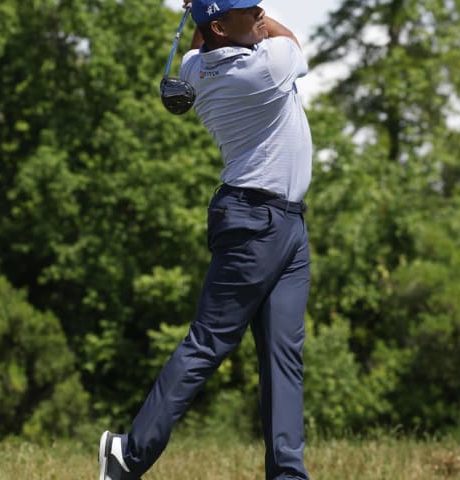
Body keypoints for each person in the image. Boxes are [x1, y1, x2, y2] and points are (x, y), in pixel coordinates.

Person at [98, 0, 313, 478]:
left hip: (284, 224)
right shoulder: (266, 66)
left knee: (283, 356)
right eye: (248, 10)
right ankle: (127, 456)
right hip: (257, 222)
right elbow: (292, 41)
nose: (260, 13)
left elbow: (201, 44)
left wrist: (210, 17)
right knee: (209, 342)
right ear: (219, 25)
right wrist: (230, 18)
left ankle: (288, 475)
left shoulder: (195, 70)